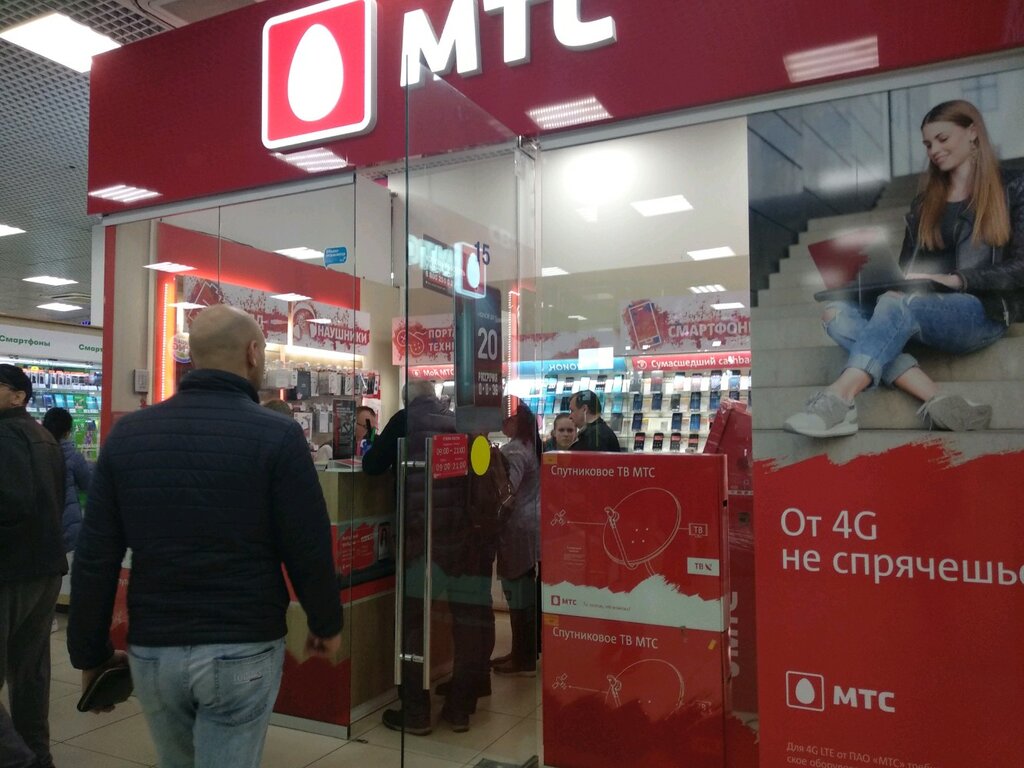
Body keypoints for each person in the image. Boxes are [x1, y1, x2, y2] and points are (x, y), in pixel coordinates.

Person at [68, 305, 342, 768]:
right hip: (243, 642)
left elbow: (96, 556)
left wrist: (89, 653)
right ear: (252, 353)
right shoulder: (278, 435)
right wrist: (325, 623)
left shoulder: (128, 434)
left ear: (192, 357)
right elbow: (307, 545)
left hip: (155, 645)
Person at [785, 100, 1024, 438]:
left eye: (942, 139)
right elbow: (903, 273)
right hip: (919, 308)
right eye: (928, 144)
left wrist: (954, 280)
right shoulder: (926, 202)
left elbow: (1020, 268)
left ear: (972, 132)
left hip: (981, 312)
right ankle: (935, 396)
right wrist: (870, 283)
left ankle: (839, 398)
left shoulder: (1014, 187)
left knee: (898, 303)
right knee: (836, 313)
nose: (934, 150)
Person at [362, 379, 488, 734]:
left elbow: (372, 465)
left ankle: (416, 711)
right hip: (460, 538)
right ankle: (460, 708)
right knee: (466, 623)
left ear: (407, 399)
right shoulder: (457, 422)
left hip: (421, 538)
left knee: (414, 623)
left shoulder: (406, 421)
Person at [0, 364, 66, 768]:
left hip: (9, 569)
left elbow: (12, 503)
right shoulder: (44, 437)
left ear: (18, 396)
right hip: (44, 566)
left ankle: (18, 760)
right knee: (30, 672)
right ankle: (38, 755)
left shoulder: (6, 436)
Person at [492, 400, 541, 676]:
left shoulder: (514, 450)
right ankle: (523, 653)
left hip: (516, 529)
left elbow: (507, 492)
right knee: (524, 591)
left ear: (514, 421)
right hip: (530, 525)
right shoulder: (530, 445)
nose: (501, 424)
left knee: (517, 593)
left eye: (504, 419)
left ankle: (522, 658)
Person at [42, 407, 92, 554]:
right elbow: (88, 485)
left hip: (42, 522)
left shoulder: (36, 451)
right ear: (68, 432)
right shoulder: (74, 456)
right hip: (69, 523)